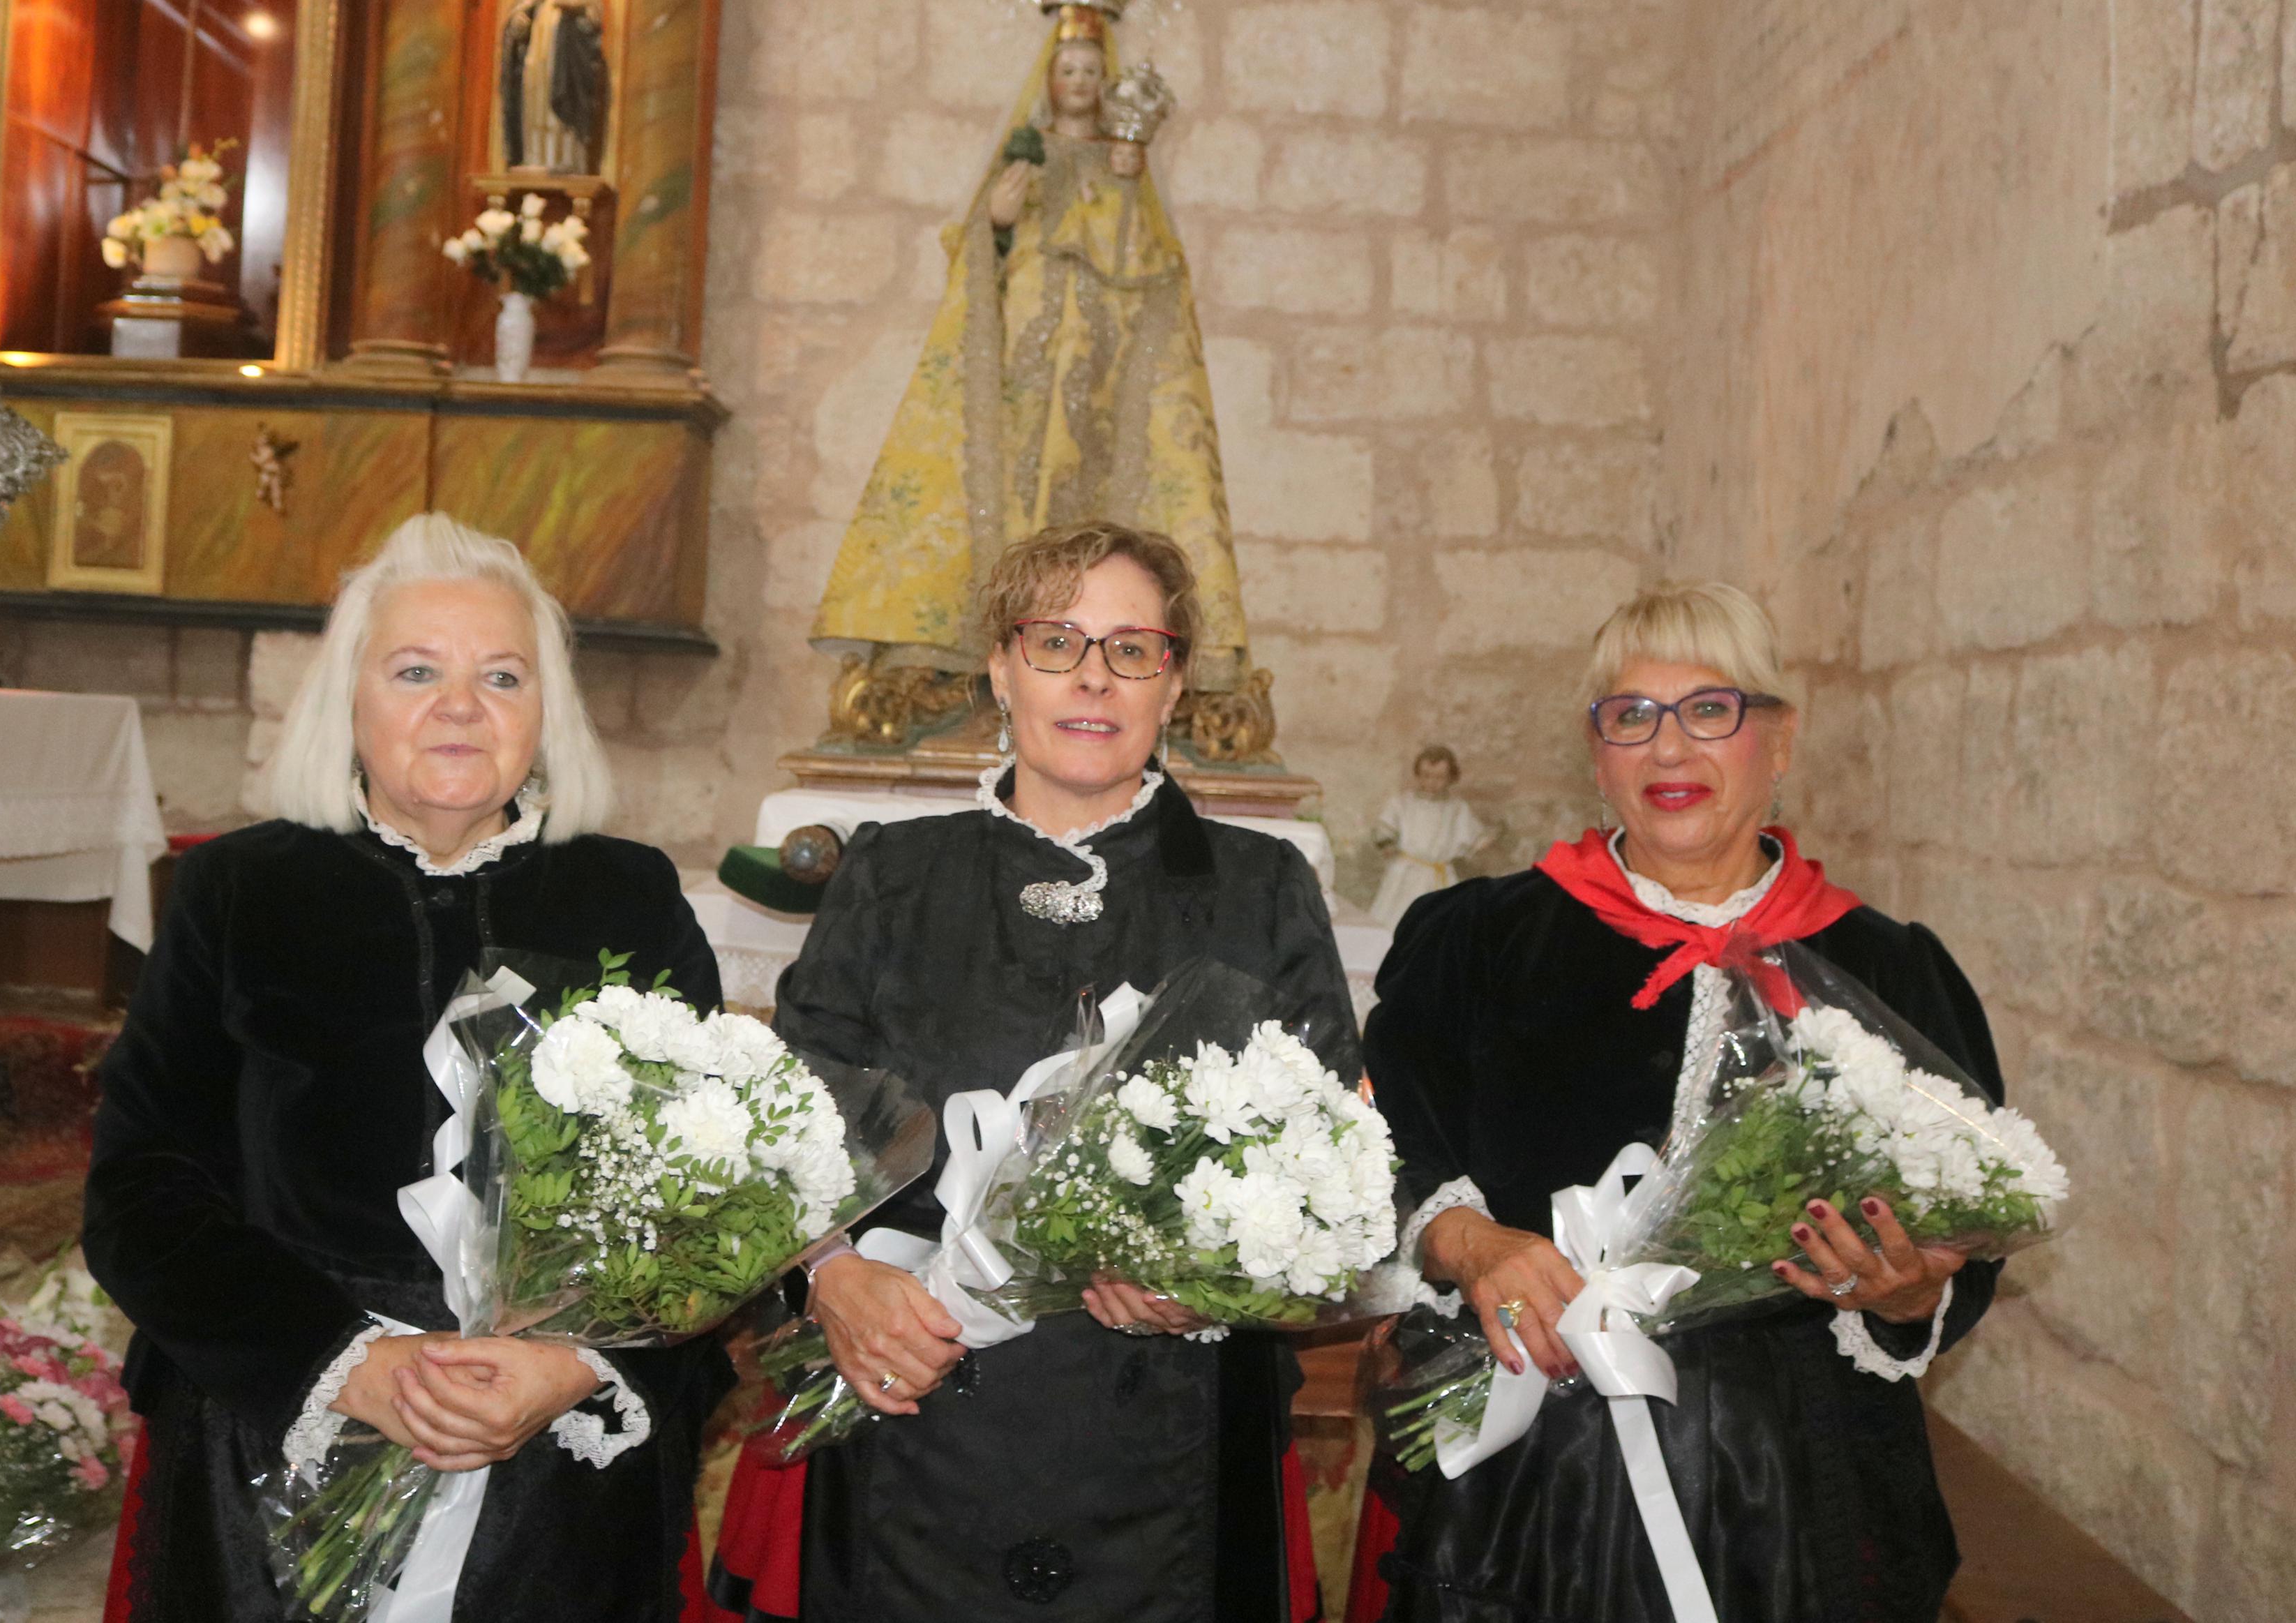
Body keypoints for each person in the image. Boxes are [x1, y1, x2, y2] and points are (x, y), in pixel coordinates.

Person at [85, 514, 725, 1622]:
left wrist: (574, 1362)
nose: (460, 706)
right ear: (351, 702)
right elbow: (141, 1190)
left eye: (502, 675)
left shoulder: (629, 897)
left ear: (546, 712)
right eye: (416, 669)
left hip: (552, 1449)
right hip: (279, 1425)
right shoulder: (237, 892)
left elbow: (711, 1191)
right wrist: (352, 1365)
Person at [712, 521, 1356, 1622]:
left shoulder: (1261, 888)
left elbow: (1341, 1163)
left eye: (1131, 647)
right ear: (1001, 668)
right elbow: (791, 1126)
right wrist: (832, 1276)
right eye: (1056, 640)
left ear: (1175, 679)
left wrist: (1220, 1278)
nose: (1093, 677)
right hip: (917, 1422)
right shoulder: (894, 877)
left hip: (1177, 1447)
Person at [1352, 581, 2004, 1623]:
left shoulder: (1889, 970)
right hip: (1532, 1477)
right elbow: (1382, 1150)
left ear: (1779, 739)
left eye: (1710, 709)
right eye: (1631, 714)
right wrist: (1472, 1241)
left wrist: (1899, 1293)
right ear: (1596, 744)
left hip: (1800, 1490)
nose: (1668, 748)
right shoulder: (1479, 941)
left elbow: (1963, 1244)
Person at [811, 1, 1259, 728]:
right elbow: (978, 260)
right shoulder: (1024, 157)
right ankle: (983, 646)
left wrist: (1125, 181)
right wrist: (996, 219)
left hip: (1096, 371)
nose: (1079, 81)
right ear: (1048, 80)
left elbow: (1150, 270)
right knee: (1012, 485)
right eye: (1069, 70)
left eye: (1091, 71)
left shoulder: (1123, 167)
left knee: (1088, 487)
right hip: (1024, 361)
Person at [500, 0, 608, 174]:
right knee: (536, 96)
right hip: (539, 53)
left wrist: (579, 9)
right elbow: (519, 14)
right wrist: (520, 22)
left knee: (567, 98)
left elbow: (595, 21)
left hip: (571, 59)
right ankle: (534, 155)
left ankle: (567, 158)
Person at [1369, 745, 1487, 927]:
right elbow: (1385, 828)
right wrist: (1387, 844)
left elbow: (1473, 838)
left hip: (1439, 876)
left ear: (1451, 778)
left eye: (1439, 778)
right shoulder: (1403, 803)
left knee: (1439, 925)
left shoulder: (1456, 809)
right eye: (1426, 776)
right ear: (1418, 775)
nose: (1431, 783)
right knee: (1396, 920)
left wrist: (1482, 845)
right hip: (1406, 874)